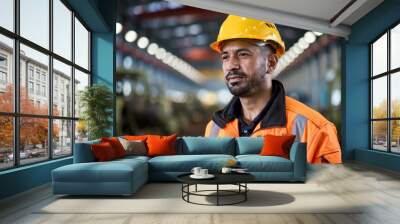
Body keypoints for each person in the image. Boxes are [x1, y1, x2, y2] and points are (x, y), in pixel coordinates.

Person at [204, 15, 341, 164]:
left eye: (243, 54)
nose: (231, 65)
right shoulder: (215, 128)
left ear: (271, 63)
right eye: (225, 57)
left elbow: (329, 187)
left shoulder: (314, 129)